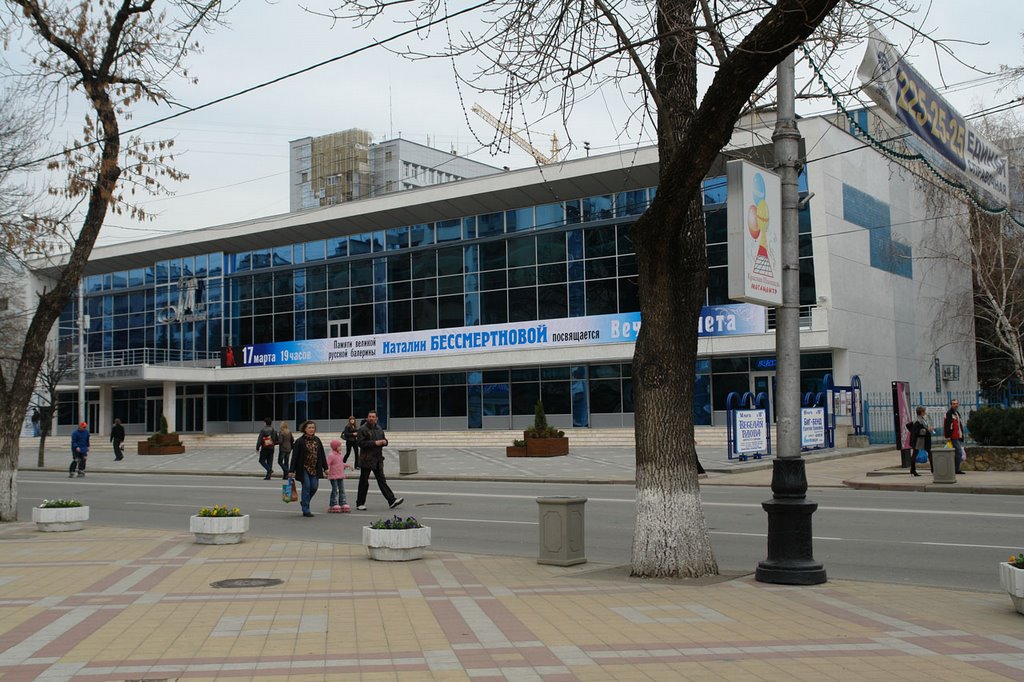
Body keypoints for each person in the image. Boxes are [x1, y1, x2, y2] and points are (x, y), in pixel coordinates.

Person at [355, 410, 402, 511]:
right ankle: (360, 503)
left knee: (382, 481)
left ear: (376, 418)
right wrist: (375, 443)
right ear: (367, 418)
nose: (371, 418)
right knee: (364, 482)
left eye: (373, 417)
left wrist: (385, 442)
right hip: (366, 460)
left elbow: (384, 440)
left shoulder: (379, 428)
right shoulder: (363, 429)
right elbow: (360, 443)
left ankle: (391, 500)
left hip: (377, 459)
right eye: (369, 416)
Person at [288, 420, 328, 517]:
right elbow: (295, 457)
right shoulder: (299, 441)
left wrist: (326, 468)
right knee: (306, 487)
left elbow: (322, 454)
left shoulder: (317, 440)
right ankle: (306, 510)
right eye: (309, 428)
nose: (311, 429)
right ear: (304, 429)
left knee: (314, 487)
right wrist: (291, 470)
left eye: (313, 428)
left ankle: (304, 501)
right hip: (303, 468)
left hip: (314, 468)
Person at [326, 438, 353, 512]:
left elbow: (340, 463)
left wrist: (347, 465)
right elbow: (327, 464)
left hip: (340, 475)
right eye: (339, 446)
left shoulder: (340, 455)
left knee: (342, 490)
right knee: (335, 490)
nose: (340, 447)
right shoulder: (331, 455)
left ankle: (343, 503)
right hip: (333, 476)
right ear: (335, 447)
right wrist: (327, 470)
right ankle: (333, 503)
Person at [906, 406, 932, 477]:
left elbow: (909, 426)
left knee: (917, 453)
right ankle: (913, 470)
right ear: (921, 412)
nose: (925, 413)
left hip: (920, 440)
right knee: (919, 453)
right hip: (919, 440)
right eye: (924, 411)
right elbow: (918, 431)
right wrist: (928, 430)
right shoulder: (918, 421)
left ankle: (913, 470)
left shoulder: (920, 419)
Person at [943, 398, 966, 475]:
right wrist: (948, 435)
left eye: (956, 403)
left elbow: (959, 425)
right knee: (959, 452)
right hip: (953, 436)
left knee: (957, 453)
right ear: (951, 405)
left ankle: (955, 468)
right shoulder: (949, 413)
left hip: (958, 435)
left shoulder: (957, 413)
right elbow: (947, 425)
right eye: (953, 404)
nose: (955, 405)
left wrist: (961, 434)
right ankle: (956, 469)